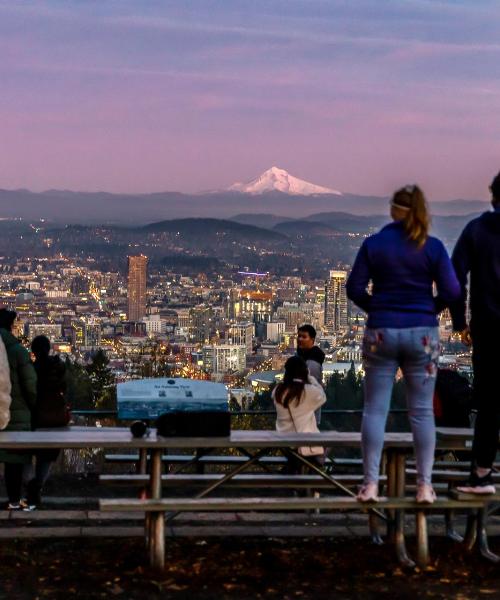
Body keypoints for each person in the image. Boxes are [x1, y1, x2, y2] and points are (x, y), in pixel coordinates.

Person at [346, 185, 460, 504]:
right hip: (421, 334)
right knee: (422, 412)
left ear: (393, 210)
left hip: (381, 332)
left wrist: (377, 308)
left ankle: (370, 483)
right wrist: (430, 310)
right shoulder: (432, 246)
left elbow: (354, 288)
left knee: (375, 409)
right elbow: (452, 291)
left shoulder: (374, 244)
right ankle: (424, 485)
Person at [451, 171, 500, 494]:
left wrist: (459, 322)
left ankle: (481, 473)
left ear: (493, 196)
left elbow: (455, 277)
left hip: (489, 327)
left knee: (490, 402)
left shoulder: (477, 229)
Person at [0, 309, 37, 510]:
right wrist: (34, 408)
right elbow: (30, 386)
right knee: (15, 461)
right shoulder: (17, 351)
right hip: (15, 414)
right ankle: (16, 500)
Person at [26, 335, 68, 508]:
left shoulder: (32, 369)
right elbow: (64, 388)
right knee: (47, 455)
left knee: (26, 452)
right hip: (56, 418)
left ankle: (31, 486)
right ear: (49, 348)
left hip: (35, 418)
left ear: (33, 351)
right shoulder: (58, 367)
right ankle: (37, 485)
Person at [273, 356, 326, 472]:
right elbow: (322, 397)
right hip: (304, 442)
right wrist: (310, 378)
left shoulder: (277, 390)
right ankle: (312, 477)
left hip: (284, 442)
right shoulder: (307, 391)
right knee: (330, 440)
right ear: (304, 371)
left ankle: (299, 474)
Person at [296, 324, 325, 425]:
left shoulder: (312, 362)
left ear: (312, 339)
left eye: (304, 337)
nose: (300, 339)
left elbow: (311, 388)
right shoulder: (302, 356)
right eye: (299, 336)